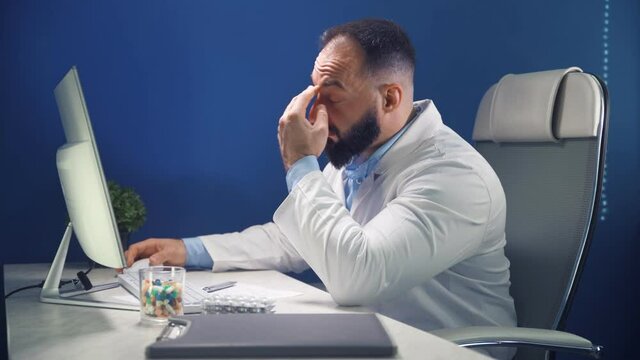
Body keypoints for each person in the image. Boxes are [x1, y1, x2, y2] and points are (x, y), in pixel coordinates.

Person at [127, 19, 516, 359]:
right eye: (314, 92)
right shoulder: (361, 153)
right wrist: (189, 250)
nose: (315, 112)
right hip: (376, 337)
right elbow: (296, 238)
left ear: (389, 97)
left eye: (331, 95)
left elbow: (357, 278)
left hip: (446, 350)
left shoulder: (453, 176)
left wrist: (300, 164)